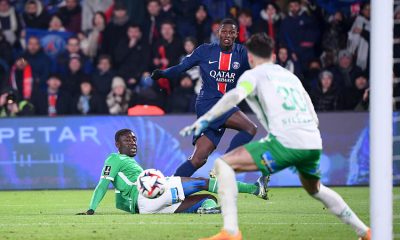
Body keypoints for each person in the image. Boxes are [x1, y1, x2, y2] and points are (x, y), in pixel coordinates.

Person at [181, 33, 370, 240]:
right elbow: (313, 115)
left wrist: (203, 120)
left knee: (223, 165)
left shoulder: (252, 76)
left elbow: (233, 96)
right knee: (316, 189)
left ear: (250, 58)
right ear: (272, 54)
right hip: (312, 141)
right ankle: (365, 232)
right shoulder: (290, 76)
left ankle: (231, 232)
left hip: (285, 142)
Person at [151, 18, 257, 177]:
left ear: (236, 34)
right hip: (209, 103)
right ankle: (225, 164)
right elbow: (182, 67)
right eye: (224, 31)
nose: (227, 35)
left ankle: (170, 188)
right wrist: (163, 73)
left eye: (231, 32)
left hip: (223, 104)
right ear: (218, 33)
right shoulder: (205, 50)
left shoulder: (242, 53)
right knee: (250, 128)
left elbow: (259, 68)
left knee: (199, 159)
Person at [77, 129, 269, 215]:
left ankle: (207, 209)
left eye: (134, 140)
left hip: (146, 207)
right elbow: (103, 184)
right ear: (117, 144)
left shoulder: (128, 163)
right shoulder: (114, 158)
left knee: (205, 199)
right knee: (203, 182)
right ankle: (254, 189)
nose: (133, 143)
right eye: (128, 140)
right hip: (148, 196)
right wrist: (92, 208)